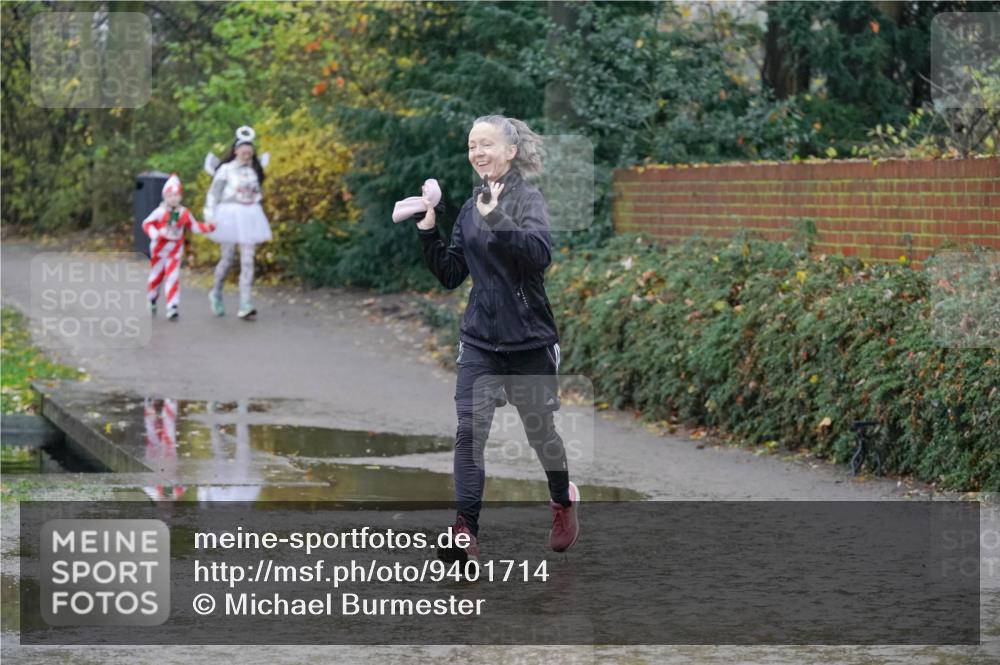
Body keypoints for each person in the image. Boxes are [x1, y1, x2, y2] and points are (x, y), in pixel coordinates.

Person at [414, 114, 580, 563]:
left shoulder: (528, 200)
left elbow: (538, 257)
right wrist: (428, 230)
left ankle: (562, 501)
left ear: (510, 151)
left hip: (529, 342)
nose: (478, 153)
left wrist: (501, 219)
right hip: (481, 342)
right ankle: (464, 529)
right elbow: (451, 273)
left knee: (540, 432)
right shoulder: (470, 208)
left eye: (486, 144)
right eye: (472, 145)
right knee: (470, 433)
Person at [203, 125, 272, 319]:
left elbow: (257, 192)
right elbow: (214, 193)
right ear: (236, 151)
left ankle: (245, 302)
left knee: (248, 259)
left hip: (250, 215)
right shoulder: (225, 169)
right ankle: (216, 291)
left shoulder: (254, 170)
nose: (246, 155)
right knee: (227, 258)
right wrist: (209, 216)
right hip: (229, 215)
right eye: (243, 151)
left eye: (249, 152)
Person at [142, 174, 215, 320]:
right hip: (159, 250)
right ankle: (151, 299)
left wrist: (211, 227)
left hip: (174, 251)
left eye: (176, 195)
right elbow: (146, 223)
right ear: (165, 197)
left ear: (180, 196)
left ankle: (172, 306)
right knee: (156, 275)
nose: (173, 198)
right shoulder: (160, 212)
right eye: (170, 195)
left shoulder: (184, 213)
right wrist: (156, 234)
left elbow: (194, 227)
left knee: (173, 277)